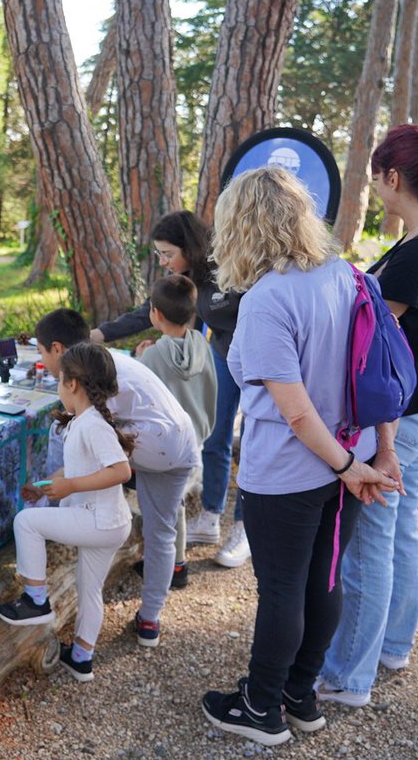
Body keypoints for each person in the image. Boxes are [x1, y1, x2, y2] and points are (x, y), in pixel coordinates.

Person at [199, 167, 399, 746]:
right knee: (323, 580)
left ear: (241, 226)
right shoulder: (353, 277)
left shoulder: (267, 299)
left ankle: (261, 708)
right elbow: (380, 376)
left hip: (293, 470)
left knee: (284, 588)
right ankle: (300, 695)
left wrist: (350, 464)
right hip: (350, 462)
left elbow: (295, 412)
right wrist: (378, 453)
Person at [318, 124, 418, 707]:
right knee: (401, 531)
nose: (375, 188)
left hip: (396, 421)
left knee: (370, 545)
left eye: (377, 178)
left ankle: (349, 676)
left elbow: (369, 335)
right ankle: (392, 645)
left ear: (393, 177)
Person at [33, 309, 198, 651]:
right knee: (161, 532)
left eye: (41, 351)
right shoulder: (111, 362)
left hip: (150, 444)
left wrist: (58, 484)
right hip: (180, 442)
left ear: (59, 350)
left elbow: (89, 446)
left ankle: (58, 519)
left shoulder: (91, 379)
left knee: (62, 430)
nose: (42, 360)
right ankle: (150, 619)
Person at [91, 211, 249, 568]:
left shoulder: (228, 268)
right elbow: (151, 311)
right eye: (159, 255)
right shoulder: (186, 279)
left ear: (189, 248)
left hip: (259, 360)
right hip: (222, 356)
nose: (162, 263)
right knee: (218, 435)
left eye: (166, 254)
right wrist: (98, 335)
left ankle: (243, 526)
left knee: (252, 443)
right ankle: (210, 516)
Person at [0, 343, 134, 682]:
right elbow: (72, 470)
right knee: (89, 590)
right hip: (109, 522)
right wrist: (44, 484)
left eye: (59, 381)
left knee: (26, 522)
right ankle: (82, 658)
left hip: (97, 520)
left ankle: (36, 599)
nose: (58, 388)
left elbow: (121, 471)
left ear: (72, 384)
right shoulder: (83, 421)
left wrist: (70, 488)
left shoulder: (93, 425)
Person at [132, 274, 217, 588]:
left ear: (155, 314)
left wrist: (143, 359)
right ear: (192, 314)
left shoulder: (153, 355)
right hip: (195, 440)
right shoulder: (202, 346)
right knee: (175, 506)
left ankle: (170, 569)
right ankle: (177, 564)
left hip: (168, 448)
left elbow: (142, 396)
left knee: (163, 516)